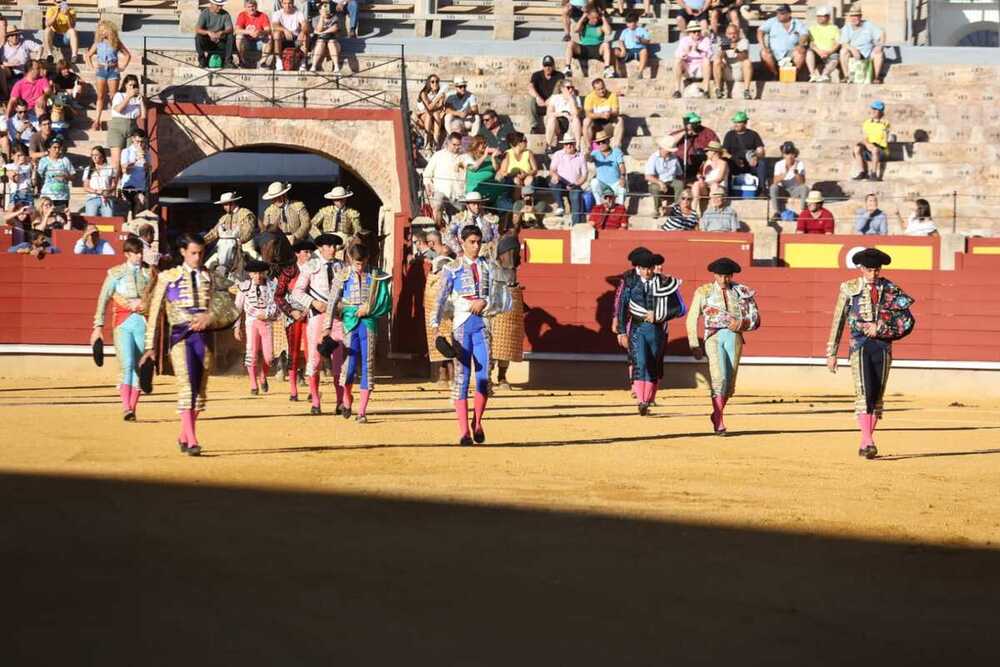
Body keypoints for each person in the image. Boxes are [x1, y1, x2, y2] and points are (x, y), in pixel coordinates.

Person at [141, 234, 240, 457]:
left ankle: (184, 434)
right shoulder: (168, 277)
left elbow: (229, 305)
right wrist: (150, 347)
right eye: (193, 253)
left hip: (204, 338)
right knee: (186, 387)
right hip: (180, 337)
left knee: (200, 391)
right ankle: (193, 439)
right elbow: (155, 313)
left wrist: (210, 316)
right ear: (183, 252)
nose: (197, 257)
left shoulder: (210, 277)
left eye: (201, 253)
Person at [827, 247, 915, 459]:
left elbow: (907, 321)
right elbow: (838, 320)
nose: (874, 274)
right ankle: (868, 440)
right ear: (861, 269)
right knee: (863, 392)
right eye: (869, 270)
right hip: (859, 345)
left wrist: (882, 329)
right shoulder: (848, 288)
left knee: (876, 395)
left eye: (877, 270)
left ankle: (865, 441)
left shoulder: (891, 289)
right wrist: (832, 352)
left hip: (883, 346)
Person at [431, 225, 512, 444]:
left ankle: (477, 422)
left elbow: (502, 297)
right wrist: (435, 327)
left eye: (478, 242)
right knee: (462, 378)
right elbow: (440, 299)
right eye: (472, 242)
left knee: (484, 378)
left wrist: (485, 301)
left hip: (483, 325)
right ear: (462, 242)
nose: (476, 246)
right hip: (461, 327)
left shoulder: (490, 267)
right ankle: (464, 431)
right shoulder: (452, 268)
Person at [686, 256, 760, 435]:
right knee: (719, 378)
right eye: (720, 276)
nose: (724, 280)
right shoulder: (704, 292)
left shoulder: (742, 291)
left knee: (729, 383)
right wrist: (694, 343)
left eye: (727, 276)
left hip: (734, 337)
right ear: (714, 275)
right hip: (713, 336)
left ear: (731, 275)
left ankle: (717, 413)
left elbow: (756, 318)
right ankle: (719, 419)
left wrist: (741, 323)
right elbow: (692, 317)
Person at [323, 242, 392, 423]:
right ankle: (347, 397)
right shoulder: (342, 275)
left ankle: (362, 411)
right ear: (350, 259)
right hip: (349, 322)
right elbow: (331, 302)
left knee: (367, 364)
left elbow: (385, 301)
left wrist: (368, 308)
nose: (359, 267)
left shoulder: (376, 275)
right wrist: (327, 326)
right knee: (350, 363)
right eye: (356, 263)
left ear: (367, 260)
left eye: (362, 263)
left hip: (368, 322)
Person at [615, 249, 685, 415]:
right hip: (637, 328)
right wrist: (621, 331)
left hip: (657, 329)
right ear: (638, 268)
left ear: (654, 268)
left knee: (653, 363)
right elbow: (622, 308)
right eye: (644, 268)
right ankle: (641, 401)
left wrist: (660, 315)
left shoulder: (665, 283)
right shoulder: (630, 283)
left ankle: (647, 399)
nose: (647, 272)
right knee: (640, 362)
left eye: (650, 268)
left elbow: (680, 309)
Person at [90, 235, 153, 420]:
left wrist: (146, 304)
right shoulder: (115, 273)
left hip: (142, 323)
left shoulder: (150, 274)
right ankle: (126, 407)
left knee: (139, 367)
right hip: (122, 323)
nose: (139, 256)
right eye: (135, 253)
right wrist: (98, 326)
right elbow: (103, 299)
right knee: (127, 364)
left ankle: (132, 408)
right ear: (127, 254)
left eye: (141, 252)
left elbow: (156, 299)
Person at [293, 233, 347, 415]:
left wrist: (342, 305)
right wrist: (313, 303)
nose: (333, 249)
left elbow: (347, 292)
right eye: (329, 246)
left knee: (339, 362)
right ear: (321, 248)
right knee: (315, 360)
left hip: (338, 318)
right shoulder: (311, 266)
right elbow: (297, 292)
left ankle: (340, 401)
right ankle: (315, 400)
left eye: (334, 246)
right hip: (317, 317)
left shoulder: (342, 267)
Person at [274, 238, 314, 401]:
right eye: (305, 252)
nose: (309, 255)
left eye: (310, 252)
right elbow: (278, 296)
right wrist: (291, 311)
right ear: (297, 254)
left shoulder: (316, 270)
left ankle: (313, 388)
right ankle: (293, 389)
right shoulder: (288, 271)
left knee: (313, 352)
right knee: (294, 351)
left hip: (312, 313)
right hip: (294, 315)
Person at [234, 258, 279, 394]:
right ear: (250, 274)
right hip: (251, 322)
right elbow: (237, 308)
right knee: (251, 353)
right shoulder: (244, 286)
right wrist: (236, 327)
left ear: (265, 273)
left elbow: (277, 304)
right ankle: (253, 383)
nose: (258, 276)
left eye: (261, 273)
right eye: (255, 273)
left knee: (269, 357)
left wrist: (267, 314)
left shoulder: (272, 286)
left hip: (267, 322)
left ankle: (262, 375)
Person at [488, 234, 524, 390]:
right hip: (491, 306)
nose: (510, 259)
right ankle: (487, 375)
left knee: (507, 339)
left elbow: (513, 283)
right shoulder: (488, 264)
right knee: (490, 340)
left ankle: (502, 376)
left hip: (508, 302)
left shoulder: (512, 266)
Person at [86, 20, 131, 131]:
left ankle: (114, 120)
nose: (102, 32)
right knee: (100, 96)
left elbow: (127, 55)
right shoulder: (98, 42)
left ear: (109, 30)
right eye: (100, 30)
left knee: (113, 97)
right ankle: (97, 121)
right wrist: (92, 67)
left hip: (113, 70)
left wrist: (123, 67)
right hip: (101, 70)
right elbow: (88, 55)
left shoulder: (116, 42)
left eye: (104, 29)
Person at [204, 191, 256, 275]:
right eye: (223, 205)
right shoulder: (223, 218)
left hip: (244, 244)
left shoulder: (246, 214)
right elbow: (214, 232)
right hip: (225, 246)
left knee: (256, 257)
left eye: (226, 204)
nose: (224, 207)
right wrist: (202, 241)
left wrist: (239, 240)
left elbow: (248, 232)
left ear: (232, 203)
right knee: (208, 263)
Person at [423, 254, 454, 387]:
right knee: (441, 341)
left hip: (454, 316)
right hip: (441, 317)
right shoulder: (433, 285)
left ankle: (452, 376)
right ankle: (443, 374)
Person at [422, 132, 465, 226]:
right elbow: (427, 173)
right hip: (440, 191)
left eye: (459, 145)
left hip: (457, 195)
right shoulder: (438, 155)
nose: (456, 147)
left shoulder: (464, 157)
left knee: (455, 222)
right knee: (437, 205)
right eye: (454, 144)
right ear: (448, 143)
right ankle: (436, 228)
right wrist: (428, 185)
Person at [107, 74, 145, 177]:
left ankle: (126, 185)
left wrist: (141, 101)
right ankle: (115, 187)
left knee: (130, 159)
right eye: (130, 85)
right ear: (125, 85)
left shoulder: (137, 98)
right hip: (117, 126)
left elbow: (143, 116)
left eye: (135, 85)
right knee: (116, 162)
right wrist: (128, 96)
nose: (132, 87)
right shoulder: (119, 95)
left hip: (132, 127)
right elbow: (118, 109)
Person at [722, 111, 767, 197]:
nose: (736, 124)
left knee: (761, 164)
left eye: (738, 122)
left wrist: (755, 157)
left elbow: (761, 151)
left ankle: (762, 190)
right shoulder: (729, 135)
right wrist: (733, 158)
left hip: (749, 164)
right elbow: (724, 152)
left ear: (745, 123)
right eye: (735, 122)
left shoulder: (753, 134)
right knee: (725, 163)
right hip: (734, 163)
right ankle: (728, 191)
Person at [757, 3, 807, 81]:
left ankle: (792, 74)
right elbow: (760, 31)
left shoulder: (797, 22)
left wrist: (800, 45)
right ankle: (775, 75)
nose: (779, 15)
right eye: (778, 13)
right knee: (764, 53)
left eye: (782, 13)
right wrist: (763, 46)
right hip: (775, 53)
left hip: (791, 53)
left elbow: (804, 34)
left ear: (789, 14)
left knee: (801, 51)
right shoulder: (772, 21)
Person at [549, 132, 589, 223]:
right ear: (563, 145)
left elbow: (584, 175)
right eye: (566, 144)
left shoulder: (581, 156)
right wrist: (556, 176)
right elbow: (552, 170)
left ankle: (576, 225)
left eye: (571, 143)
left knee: (575, 199)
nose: (569, 146)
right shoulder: (558, 154)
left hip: (575, 184)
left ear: (574, 144)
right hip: (561, 183)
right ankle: (560, 206)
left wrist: (576, 184)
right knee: (553, 182)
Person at [444, 192, 500, 257]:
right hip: (466, 252)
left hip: (487, 253)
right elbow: (449, 234)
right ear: (467, 205)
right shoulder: (459, 219)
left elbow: (497, 235)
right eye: (473, 204)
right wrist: (459, 250)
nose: (477, 206)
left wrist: (493, 248)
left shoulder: (489, 218)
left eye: (479, 204)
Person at [566, 7, 616, 80]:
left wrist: (603, 17)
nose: (595, 20)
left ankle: (607, 69)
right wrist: (583, 16)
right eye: (592, 18)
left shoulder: (600, 26)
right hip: (584, 48)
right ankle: (568, 67)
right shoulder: (584, 25)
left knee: (606, 44)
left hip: (597, 49)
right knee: (570, 43)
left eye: (596, 18)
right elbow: (575, 30)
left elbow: (608, 32)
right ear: (588, 17)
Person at [668, 111, 719, 181]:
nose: (696, 125)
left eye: (697, 123)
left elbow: (716, 147)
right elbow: (668, 142)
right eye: (693, 123)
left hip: (703, 165)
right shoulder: (681, 133)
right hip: (683, 165)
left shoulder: (708, 133)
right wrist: (685, 132)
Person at [840, 6, 885, 84]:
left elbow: (882, 34)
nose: (854, 18)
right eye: (852, 16)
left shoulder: (868, 25)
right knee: (843, 51)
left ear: (860, 16)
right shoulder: (847, 27)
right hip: (854, 52)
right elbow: (844, 43)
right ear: (849, 17)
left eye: (856, 16)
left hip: (868, 52)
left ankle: (876, 77)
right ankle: (847, 76)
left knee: (879, 53)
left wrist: (879, 45)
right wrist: (852, 49)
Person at [713, 21, 754, 100]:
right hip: (728, 71)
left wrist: (736, 49)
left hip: (740, 71)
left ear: (738, 33)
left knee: (747, 62)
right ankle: (718, 89)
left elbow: (744, 56)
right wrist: (723, 50)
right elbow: (719, 57)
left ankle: (746, 90)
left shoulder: (744, 41)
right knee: (717, 61)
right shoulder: (723, 42)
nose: (732, 36)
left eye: (734, 33)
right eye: (730, 34)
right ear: (726, 34)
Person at [673, 23, 714, 99]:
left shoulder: (706, 40)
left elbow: (710, 54)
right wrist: (686, 52)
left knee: (706, 61)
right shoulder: (684, 40)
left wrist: (698, 49)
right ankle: (677, 90)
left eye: (698, 31)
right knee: (678, 61)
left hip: (701, 67)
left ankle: (706, 90)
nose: (697, 33)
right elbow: (677, 54)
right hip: (688, 67)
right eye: (694, 31)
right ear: (689, 33)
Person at [769, 140, 808, 220]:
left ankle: (803, 211)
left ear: (794, 154)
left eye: (791, 153)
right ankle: (777, 212)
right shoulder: (779, 164)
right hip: (783, 189)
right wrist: (785, 172)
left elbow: (802, 182)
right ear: (783, 155)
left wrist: (796, 172)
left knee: (805, 188)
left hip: (795, 189)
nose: (789, 156)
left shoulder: (799, 164)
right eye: (787, 154)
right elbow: (775, 181)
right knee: (773, 187)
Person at [461, 135, 503, 208]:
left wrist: (493, 157)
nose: (483, 145)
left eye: (484, 143)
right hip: (475, 187)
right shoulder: (469, 156)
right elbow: (473, 168)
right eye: (481, 143)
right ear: (475, 144)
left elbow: (496, 169)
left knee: (504, 190)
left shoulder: (489, 156)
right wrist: (484, 156)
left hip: (490, 185)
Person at [852, 100, 889, 181]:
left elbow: (881, 138)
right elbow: (864, 137)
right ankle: (863, 172)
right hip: (868, 147)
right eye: (873, 109)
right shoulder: (866, 123)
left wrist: (871, 145)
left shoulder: (885, 123)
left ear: (881, 112)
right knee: (857, 148)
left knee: (875, 149)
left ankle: (874, 174)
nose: (874, 111)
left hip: (881, 150)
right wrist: (868, 144)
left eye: (877, 109)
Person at [582, 77, 623, 148]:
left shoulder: (612, 96)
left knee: (620, 119)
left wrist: (610, 113)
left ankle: (617, 146)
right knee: (586, 121)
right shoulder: (589, 97)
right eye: (599, 89)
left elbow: (616, 111)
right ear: (594, 90)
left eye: (603, 88)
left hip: (608, 123)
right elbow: (588, 114)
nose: (602, 91)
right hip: (595, 124)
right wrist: (601, 115)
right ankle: (588, 147)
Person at [1, 30, 41, 99]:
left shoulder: (25, 42)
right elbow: (3, 62)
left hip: (26, 70)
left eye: (17, 35)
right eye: (12, 35)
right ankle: (6, 95)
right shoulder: (4, 48)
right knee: (1, 69)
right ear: (8, 38)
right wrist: (11, 64)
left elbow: (40, 47)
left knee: (41, 69)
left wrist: (37, 59)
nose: (15, 37)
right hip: (12, 71)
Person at [691, 141, 730, 214]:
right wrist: (700, 178)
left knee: (714, 185)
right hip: (707, 187)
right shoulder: (706, 163)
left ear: (714, 152)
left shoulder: (723, 163)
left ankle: (713, 210)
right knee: (696, 184)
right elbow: (702, 176)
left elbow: (719, 179)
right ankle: (693, 212)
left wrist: (705, 183)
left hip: (719, 188)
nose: (706, 153)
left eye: (708, 151)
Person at [589, 129, 626, 205]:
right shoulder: (595, 153)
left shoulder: (616, 151)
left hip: (615, 183)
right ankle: (599, 204)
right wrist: (587, 153)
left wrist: (622, 177)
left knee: (623, 186)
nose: (601, 144)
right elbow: (589, 159)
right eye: (598, 143)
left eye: (603, 142)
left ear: (608, 141)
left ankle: (620, 208)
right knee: (594, 182)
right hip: (602, 184)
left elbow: (622, 166)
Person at [529, 55, 565, 133]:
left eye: (550, 65)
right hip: (540, 102)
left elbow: (560, 90)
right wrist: (538, 97)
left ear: (553, 66)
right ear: (543, 66)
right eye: (545, 66)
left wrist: (551, 99)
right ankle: (534, 126)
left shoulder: (559, 75)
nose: (548, 68)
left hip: (553, 102)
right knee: (532, 101)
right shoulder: (536, 75)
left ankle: (557, 126)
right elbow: (530, 88)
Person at [36, 136, 74, 209]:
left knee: (61, 218)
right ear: (49, 149)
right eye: (54, 147)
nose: (57, 150)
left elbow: (73, 176)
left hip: (63, 196)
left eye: (59, 148)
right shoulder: (43, 161)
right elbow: (39, 177)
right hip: (47, 195)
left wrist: (66, 176)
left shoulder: (65, 160)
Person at [270, 0, 309, 71]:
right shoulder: (278, 13)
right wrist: (285, 30)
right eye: (285, 3)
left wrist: (302, 32)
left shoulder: (298, 13)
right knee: (276, 34)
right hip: (283, 39)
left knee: (305, 36)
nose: (287, 6)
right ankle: (278, 60)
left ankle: (303, 62)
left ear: (293, 3)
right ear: (282, 4)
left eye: (289, 3)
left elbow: (305, 25)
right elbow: (274, 25)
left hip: (296, 39)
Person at [544, 79, 582, 151]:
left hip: (571, 124)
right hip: (559, 124)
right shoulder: (554, 98)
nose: (571, 90)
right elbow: (549, 113)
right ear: (562, 88)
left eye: (572, 87)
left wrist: (571, 99)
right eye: (568, 87)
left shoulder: (576, 98)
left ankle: (578, 145)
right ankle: (548, 145)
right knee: (551, 119)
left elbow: (576, 114)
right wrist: (563, 114)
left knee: (576, 119)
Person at [195, 0, 235, 68]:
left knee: (230, 36)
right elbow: (197, 29)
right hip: (208, 40)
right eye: (218, 5)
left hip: (220, 41)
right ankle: (202, 60)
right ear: (211, 4)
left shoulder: (225, 14)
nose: (220, 7)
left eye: (221, 5)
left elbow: (230, 28)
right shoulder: (205, 13)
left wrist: (222, 32)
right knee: (198, 37)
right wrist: (208, 32)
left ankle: (228, 61)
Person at [615, 12, 654, 80]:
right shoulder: (625, 31)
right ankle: (618, 72)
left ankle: (640, 73)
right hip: (628, 51)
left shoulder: (642, 30)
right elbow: (620, 41)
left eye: (631, 22)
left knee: (644, 51)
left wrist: (640, 40)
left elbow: (648, 41)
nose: (630, 24)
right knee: (615, 51)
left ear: (636, 22)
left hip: (639, 50)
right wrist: (623, 49)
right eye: (628, 23)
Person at [120, 129, 150, 215]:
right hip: (129, 186)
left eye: (142, 142)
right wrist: (136, 159)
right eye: (137, 141)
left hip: (141, 186)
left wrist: (144, 160)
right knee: (140, 200)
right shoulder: (126, 151)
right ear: (133, 139)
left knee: (141, 205)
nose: (140, 144)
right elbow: (125, 170)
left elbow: (148, 171)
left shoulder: (147, 152)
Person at [806, 5, 840, 82]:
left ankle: (825, 74)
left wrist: (829, 52)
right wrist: (819, 51)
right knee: (809, 52)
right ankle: (812, 75)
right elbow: (811, 43)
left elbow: (837, 43)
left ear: (828, 17)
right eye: (818, 16)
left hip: (830, 52)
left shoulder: (834, 28)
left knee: (835, 59)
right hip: (817, 53)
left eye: (823, 16)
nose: (820, 18)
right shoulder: (812, 28)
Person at [82, 146, 118, 217]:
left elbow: (114, 185)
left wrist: (107, 191)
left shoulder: (110, 168)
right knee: (91, 221)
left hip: (106, 198)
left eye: (96, 155)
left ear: (102, 156)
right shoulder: (88, 169)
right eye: (92, 155)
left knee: (108, 221)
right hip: (92, 198)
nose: (94, 157)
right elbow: (86, 187)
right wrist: (96, 191)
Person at [236, 0, 272, 68]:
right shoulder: (242, 15)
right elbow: (237, 30)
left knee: (269, 37)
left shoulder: (262, 15)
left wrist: (260, 32)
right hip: (246, 43)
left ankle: (262, 62)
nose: (251, 9)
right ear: (245, 7)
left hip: (259, 42)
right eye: (248, 7)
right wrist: (249, 32)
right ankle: (242, 61)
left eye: (253, 6)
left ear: (256, 6)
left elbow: (268, 30)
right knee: (238, 37)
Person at [415, 74, 447, 149]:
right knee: (430, 113)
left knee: (435, 113)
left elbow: (440, 106)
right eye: (432, 82)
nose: (435, 83)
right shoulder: (424, 93)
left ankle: (436, 142)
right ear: (428, 83)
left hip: (435, 114)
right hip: (423, 114)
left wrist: (436, 104)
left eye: (437, 81)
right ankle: (427, 141)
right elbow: (429, 108)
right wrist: (437, 98)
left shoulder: (440, 92)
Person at [311, 1, 342, 73]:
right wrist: (322, 17)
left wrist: (322, 33)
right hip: (320, 46)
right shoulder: (315, 19)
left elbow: (335, 28)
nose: (326, 10)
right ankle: (314, 66)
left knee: (331, 41)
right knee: (321, 41)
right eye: (323, 9)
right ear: (319, 10)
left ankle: (336, 66)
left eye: (327, 8)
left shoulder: (334, 18)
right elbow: (318, 29)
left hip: (333, 44)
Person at [5, 144, 34, 208]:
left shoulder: (28, 166)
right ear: (12, 156)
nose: (22, 157)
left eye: (23, 155)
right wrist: (18, 166)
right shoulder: (8, 166)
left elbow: (33, 183)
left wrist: (34, 170)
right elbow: (16, 179)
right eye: (19, 155)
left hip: (28, 192)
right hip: (16, 193)